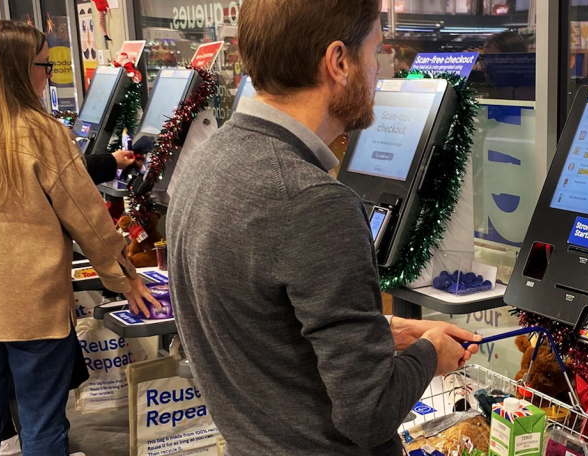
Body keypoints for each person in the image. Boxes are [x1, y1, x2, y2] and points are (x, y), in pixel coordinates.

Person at [167, 1, 481, 454]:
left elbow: (263, 325)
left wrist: (380, 331)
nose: (378, 73)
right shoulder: (312, 202)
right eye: (374, 54)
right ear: (338, 62)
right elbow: (368, 414)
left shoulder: (206, 165)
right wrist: (431, 353)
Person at [0, 21, 160, 456]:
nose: (50, 76)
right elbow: (87, 219)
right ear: (23, 69)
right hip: (29, 307)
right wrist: (127, 277)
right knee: (41, 423)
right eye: (46, 65)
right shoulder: (40, 133)